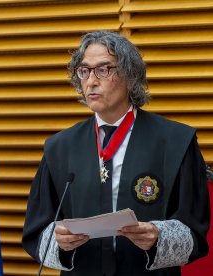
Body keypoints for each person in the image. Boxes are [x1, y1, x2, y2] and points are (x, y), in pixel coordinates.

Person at [22, 31, 210, 275]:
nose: (91, 81)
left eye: (103, 69)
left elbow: (195, 231)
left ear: (130, 75)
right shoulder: (59, 147)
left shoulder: (176, 141)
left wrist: (158, 237)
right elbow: (36, 232)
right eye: (84, 71)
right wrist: (60, 242)